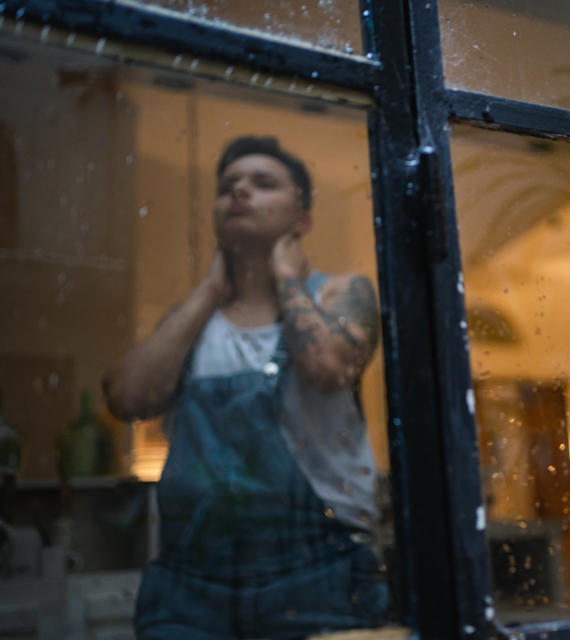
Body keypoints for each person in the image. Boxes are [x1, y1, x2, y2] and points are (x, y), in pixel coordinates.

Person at [103, 136, 387, 638]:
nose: (240, 191)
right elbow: (126, 398)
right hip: (190, 587)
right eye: (229, 186)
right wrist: (210, 291)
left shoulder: (339, 292)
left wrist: (285, 276)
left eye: (262, 183)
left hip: (320, 575)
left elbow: (327, 367)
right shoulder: (191, 322)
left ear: (302, 219)